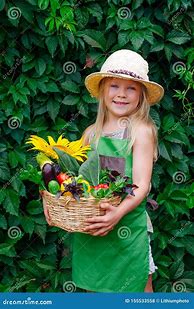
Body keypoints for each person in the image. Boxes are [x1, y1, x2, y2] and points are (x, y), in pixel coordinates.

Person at [44, 49, 164, 292]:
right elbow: (74, 178)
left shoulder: (140, 131)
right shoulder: (91, 134)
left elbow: (141, 184)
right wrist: (51, 199)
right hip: (93, 228)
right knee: (98, 289)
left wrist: (117, 214)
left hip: (127, 229)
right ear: (102, 91)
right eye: (114, 86)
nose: (121, 94)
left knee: (139, 287)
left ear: (141, 95)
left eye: (131, 88)